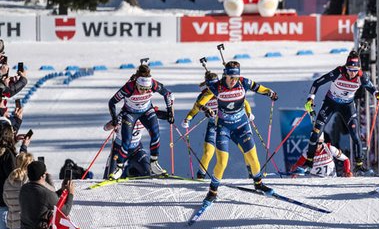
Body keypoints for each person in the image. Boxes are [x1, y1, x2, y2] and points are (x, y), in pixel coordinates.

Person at [182, 61, 278, 202]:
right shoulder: (216, 87)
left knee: (253, 157)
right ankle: (212, 191)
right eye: (230, 77)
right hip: (224, 127)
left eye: (236, 77)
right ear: (225, 75)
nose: (233, 80)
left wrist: (270, 92)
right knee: (222, 162)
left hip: (241, 125)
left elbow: (258, 87)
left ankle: (258, 184)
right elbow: (199, 104)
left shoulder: (243, 82)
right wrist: (205, 110)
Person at [300, 53, 379, 174]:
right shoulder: (338, 72)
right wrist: (310, 99)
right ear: (346, 67)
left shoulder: (362, 77)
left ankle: (359, 165)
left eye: (355, 70)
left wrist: (377, 94)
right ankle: (309, 162)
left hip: (347, 106)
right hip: (330, 104)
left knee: (355, 135)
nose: (352, 73)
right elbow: (317, 83)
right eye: (350, 69)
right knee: (315, 133)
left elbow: (370, 87)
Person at [107, 64, 174, 178]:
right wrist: (114, 118)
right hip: (130, 113)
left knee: (155, 133)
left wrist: (169, 111)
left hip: (146, 111)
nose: (144, 91)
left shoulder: (152, 84)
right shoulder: (129, 88)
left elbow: (167, 94)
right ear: (137, 84)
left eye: (147, 89)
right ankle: (119, 168)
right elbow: (112, 102)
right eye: (142, 88)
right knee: (126, 140)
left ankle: (154, 162)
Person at [191, 71, 223, 178]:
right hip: (213, 125)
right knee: (208, 153)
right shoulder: (203, 96)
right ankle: (201, 176)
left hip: (228, 124)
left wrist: (248, 112)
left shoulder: (224, 91)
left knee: (245, 147)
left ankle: (253, 175)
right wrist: (188, 119)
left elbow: (241, 101)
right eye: (211, 86)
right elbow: (195, 109)